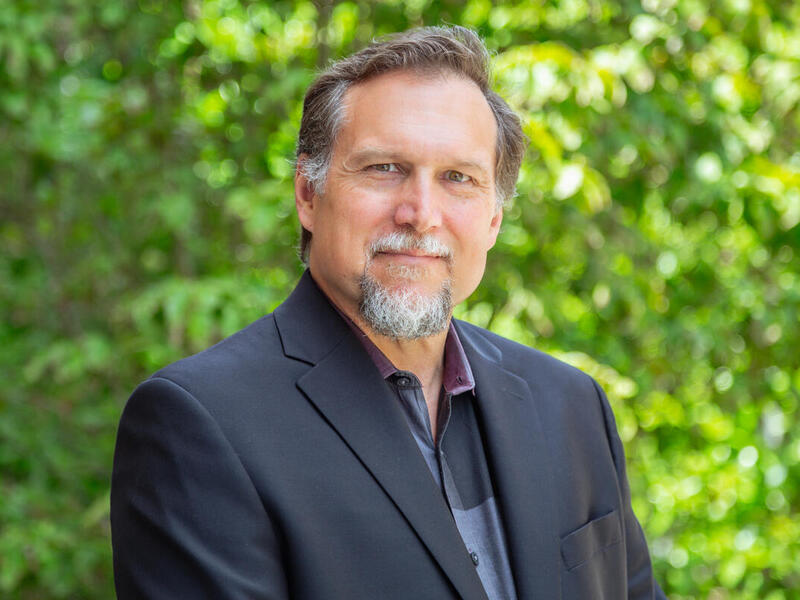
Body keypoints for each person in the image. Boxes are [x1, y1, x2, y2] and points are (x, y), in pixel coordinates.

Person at [111, 25, 666, 599]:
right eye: (384, 169)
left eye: (458, 178)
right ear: (307, 194)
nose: (420, 213)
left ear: (494, 220)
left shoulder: (572, 406)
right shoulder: (198, 425)